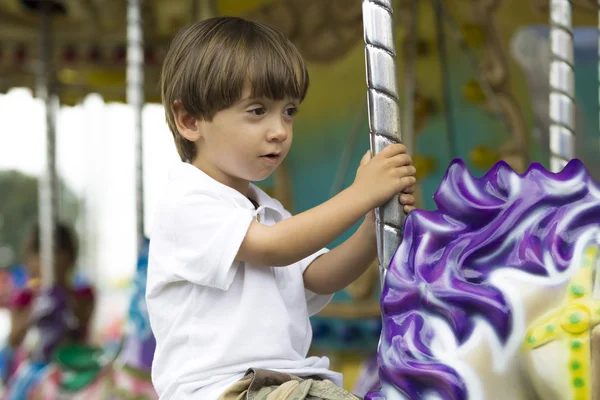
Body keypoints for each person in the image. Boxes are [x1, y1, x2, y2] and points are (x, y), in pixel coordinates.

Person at [146, 16, 416, 400]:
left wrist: (373, 224)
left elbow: (321, 276)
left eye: (288, 111)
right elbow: (274, 247)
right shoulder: (188, 202)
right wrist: (361, 194)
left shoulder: (265, 209)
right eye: (257, 111)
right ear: (190, 120)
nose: (280, 130)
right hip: (223, 388)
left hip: (281, 382)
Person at [0, 222, 95, 389]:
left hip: (74, 372)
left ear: (68, 258)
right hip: (34, 377)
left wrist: (62, 292)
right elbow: (14, 339)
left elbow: (82, 320)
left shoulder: (83, 294)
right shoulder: (25, 297)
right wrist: (37, 305)